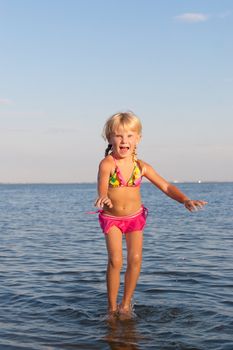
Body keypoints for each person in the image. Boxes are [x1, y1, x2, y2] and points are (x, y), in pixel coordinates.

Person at [95, 111, 207, 319]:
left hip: (135, 218)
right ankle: (111, 308)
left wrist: (184, 200)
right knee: (116, 260)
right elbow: (102, 185)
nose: (124, 140)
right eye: (119, 136)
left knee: (136, 259)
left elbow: (165, 185)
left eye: (129, 136)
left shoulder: (141, 167)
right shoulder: (108, 164)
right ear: (109, 138)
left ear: (138, 139)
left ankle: (125, 305)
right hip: (112, 219)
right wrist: (104, 197)